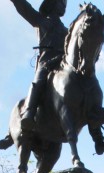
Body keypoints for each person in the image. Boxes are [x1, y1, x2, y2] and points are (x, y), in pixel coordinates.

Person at [7, 1, 68, 131]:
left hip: (62, 65)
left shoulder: (66, 31)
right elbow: (24, 7)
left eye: (64, 3)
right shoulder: (40, 21)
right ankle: (29, 113)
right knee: (38, 82)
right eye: (60, 2)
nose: (63, 5)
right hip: (46, 62)